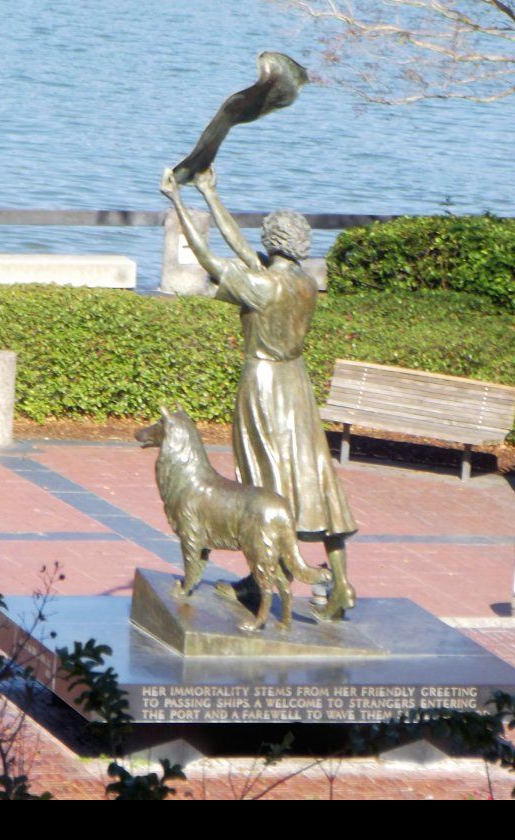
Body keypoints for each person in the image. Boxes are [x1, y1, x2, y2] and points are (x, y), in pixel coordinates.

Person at [159, 166, 357, 620]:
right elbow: (243, 252)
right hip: (297, 383)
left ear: (273, 241)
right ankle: (341, 583)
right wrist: (210, 194)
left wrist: (175, 202)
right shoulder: (304, 283)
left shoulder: (263, 286)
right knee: (315, 475)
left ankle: (264, 577)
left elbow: (211, 258)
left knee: (262, 478)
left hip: (264, 385)